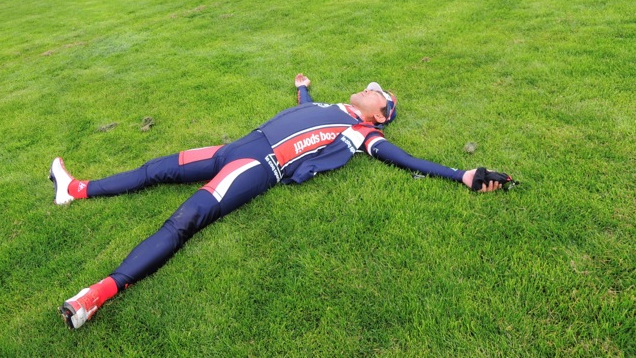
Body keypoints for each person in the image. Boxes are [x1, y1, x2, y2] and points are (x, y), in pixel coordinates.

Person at [50, 74, 515, 329]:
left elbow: (405, 158)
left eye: (376, 91)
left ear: (381, 113)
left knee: (184, 220)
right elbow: (305, 109)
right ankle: (75, 189)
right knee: (156, 169)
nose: (368, 87)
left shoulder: (360, 132)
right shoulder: (339, 108)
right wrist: (302, 85)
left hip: (257, 165)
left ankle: (96, 295)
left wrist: (462, 174)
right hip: (236, 146)